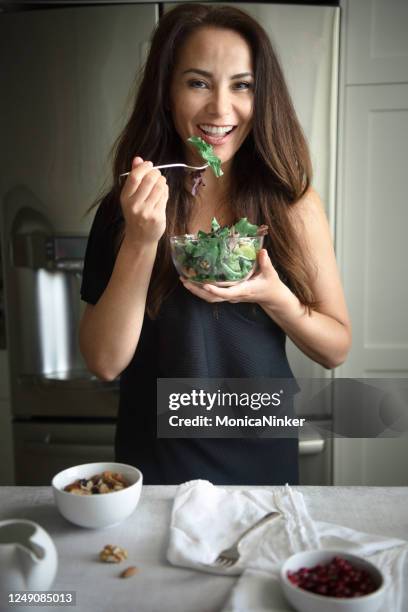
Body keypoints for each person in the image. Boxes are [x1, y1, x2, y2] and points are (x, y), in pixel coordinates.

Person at [79, 3, 351, 485]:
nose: (221, 109)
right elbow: (104, 362)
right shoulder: (128, 206)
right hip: (158, 462)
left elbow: (335, 348)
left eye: (242, 85)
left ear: (261, 95)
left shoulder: (292, 203)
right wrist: (142, 240)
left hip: (263, 457)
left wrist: (274, 296)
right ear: (167, 93)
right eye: (198, 82)